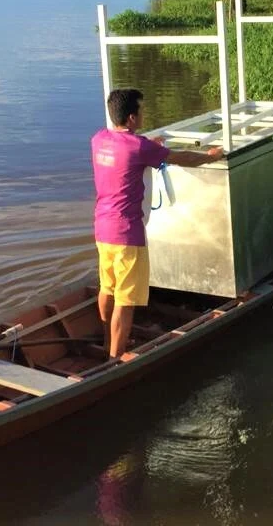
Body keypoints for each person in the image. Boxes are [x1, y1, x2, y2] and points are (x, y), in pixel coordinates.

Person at [91, 88, 222, 359]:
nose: (143, 115)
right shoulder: (139, 147)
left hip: (102, 229)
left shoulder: (99, 139)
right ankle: (113, 362)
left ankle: (107, 342)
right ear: (131, 118)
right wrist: (211, 156)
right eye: (140, 111)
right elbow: (182, 158)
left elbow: (125, 148)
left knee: (107, 288)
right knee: (125, 302)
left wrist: (149, 143)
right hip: (127, 234)